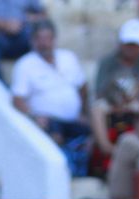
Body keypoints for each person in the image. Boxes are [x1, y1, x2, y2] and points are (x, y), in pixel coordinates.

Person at [11, 20, 88, 148]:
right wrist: (34, 117)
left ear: (54, 39)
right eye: (39, 39)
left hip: (74, 120)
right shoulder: (25, 64)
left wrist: (83, 112)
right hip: (49, 123)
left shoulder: (68, 57)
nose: (44, 43)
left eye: (48, 38)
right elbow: (17, 99)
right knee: (54, 138)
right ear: (32, 41)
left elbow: (82, 86)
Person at [95, 19, 139, 109]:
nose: (131, 48)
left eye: (135, 45)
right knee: (97, 110)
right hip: (112, 105)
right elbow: (99, 93)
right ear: (120, 43)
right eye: (128, 44)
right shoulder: (106, 62)